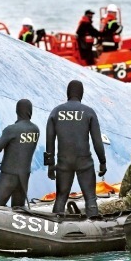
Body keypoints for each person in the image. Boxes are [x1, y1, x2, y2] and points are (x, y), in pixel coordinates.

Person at [45, 80, 107, 218]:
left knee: (61, 197)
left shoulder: (56, 111)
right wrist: (102, 162)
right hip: (84, 161)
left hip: (63, 161)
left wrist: (50, 164)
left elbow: (49, 139)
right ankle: (93, 230)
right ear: (81, 93)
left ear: (68, 93)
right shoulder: (89, 112)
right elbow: (97, 140)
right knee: (90, 198)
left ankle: (54, 228)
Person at [0, 99, 40, 207]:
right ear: (30, 111)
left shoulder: (11, 129)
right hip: (24, 176)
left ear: (17, 111)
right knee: (18, 208)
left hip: (8, 176)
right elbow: (17, 142)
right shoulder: (35, 129)